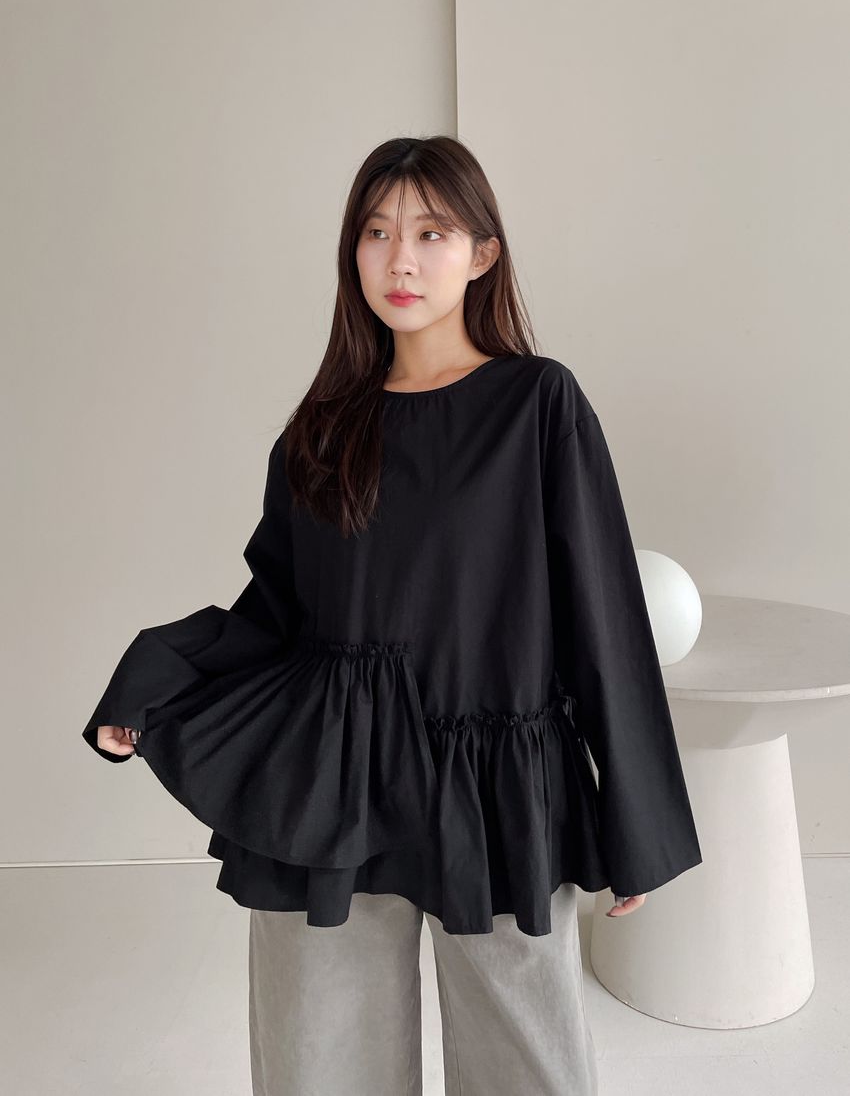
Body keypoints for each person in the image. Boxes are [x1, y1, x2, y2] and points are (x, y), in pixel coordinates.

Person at [83, 135, 702, 1095]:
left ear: (483, 253)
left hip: (493, 791)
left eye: (431, 232)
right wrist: (158, 681)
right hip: (329, 780)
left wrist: (637, 824)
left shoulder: (536, 403)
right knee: (318, 1062)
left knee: (528, 1065)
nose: (400, 260)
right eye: (376, 233)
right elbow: (277, 610)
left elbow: (603, 616)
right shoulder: (322, 426)